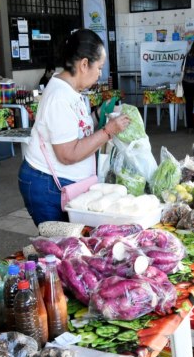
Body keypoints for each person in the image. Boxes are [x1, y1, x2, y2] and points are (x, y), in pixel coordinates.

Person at [18, 29, 130, 226]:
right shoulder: (59, 98)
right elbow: (67, 154)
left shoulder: (71, 90)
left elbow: (78, 129)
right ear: (84, 64)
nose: (100, 74)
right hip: (48, 186)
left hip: (64, 184)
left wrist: (98, 114)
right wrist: (108, 131)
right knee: (61, 246)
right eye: (99, 67)